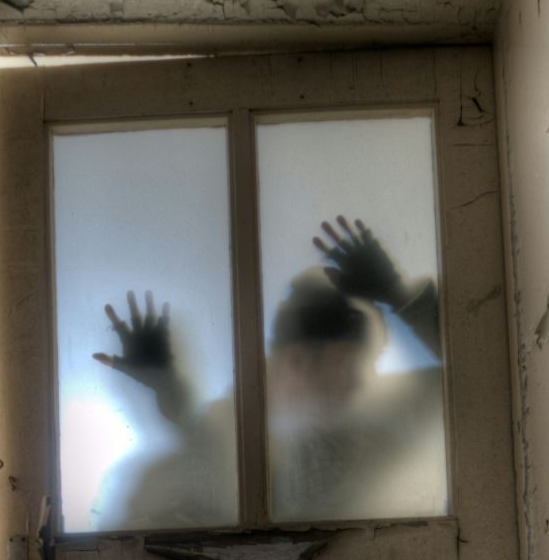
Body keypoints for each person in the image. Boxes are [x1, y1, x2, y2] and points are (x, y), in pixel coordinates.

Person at [92, 216, 445, 529]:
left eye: (369, 361)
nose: (359, 379)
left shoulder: (382, 435)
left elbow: (473, 379)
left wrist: (398, 294)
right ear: (297, 361)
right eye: (347, 363)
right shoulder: (215, 452)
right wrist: (168, 390)